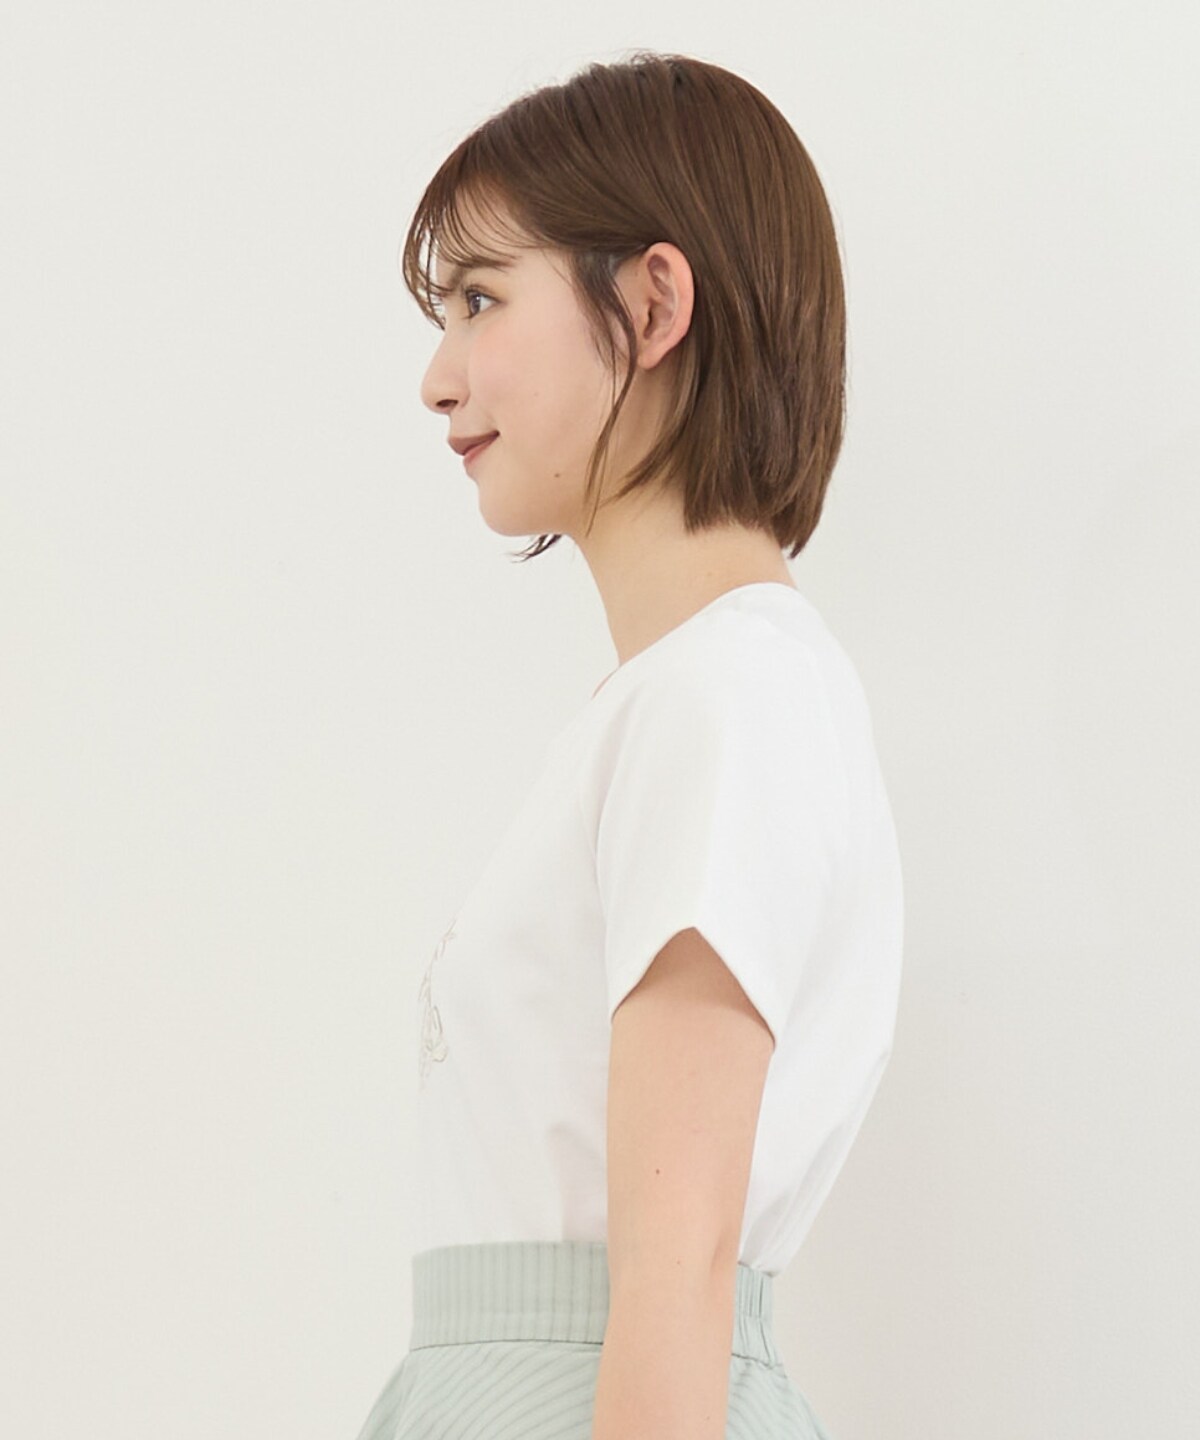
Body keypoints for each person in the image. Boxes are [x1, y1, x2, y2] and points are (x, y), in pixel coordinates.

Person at [353, 48, 904, 1440]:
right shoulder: (689, 697)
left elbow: (676, 1271)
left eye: (481, 299)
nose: (437, 377)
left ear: (654, 304)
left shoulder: (726, 696)